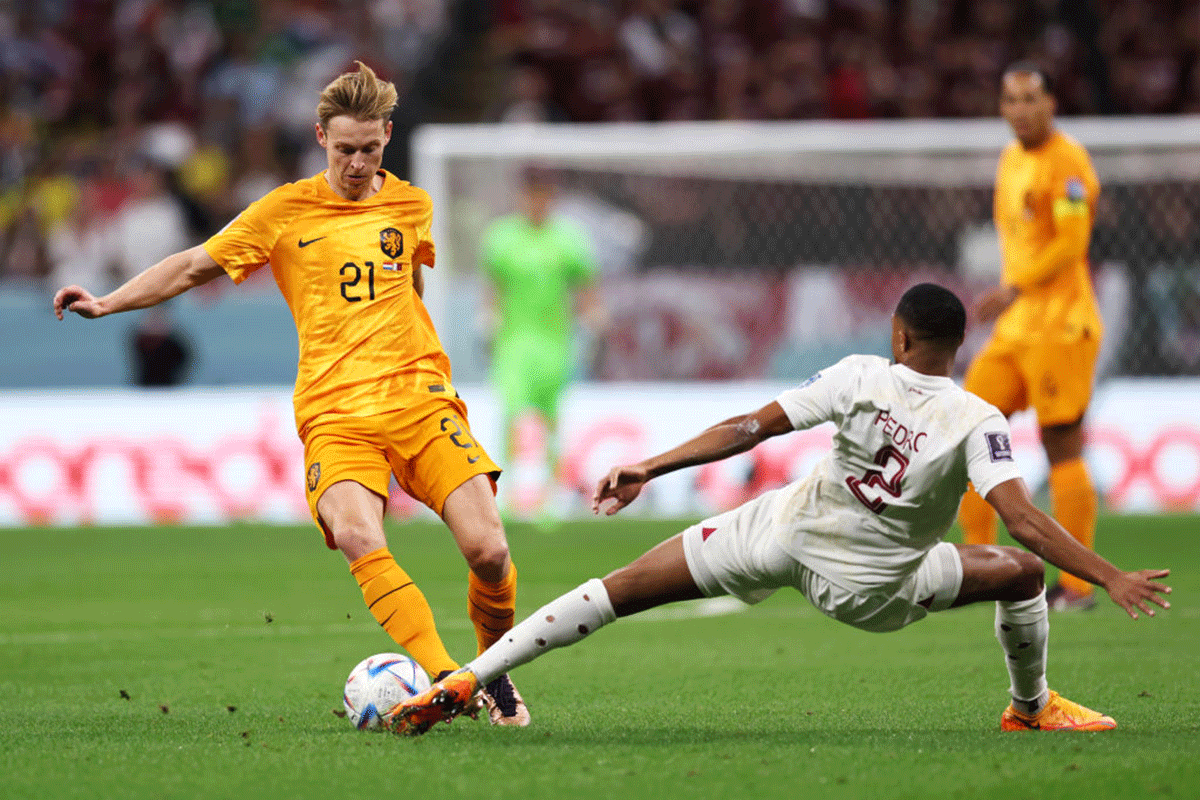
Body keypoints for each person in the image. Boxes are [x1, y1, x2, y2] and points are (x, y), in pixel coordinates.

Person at [393, 283, 1171, 735]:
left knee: (620, 589)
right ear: (958, 345)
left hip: (778, 534)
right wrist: (1109, 576)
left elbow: (747, 428)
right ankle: (1030, 708)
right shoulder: (978, 421)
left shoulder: (863, 374)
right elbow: (1023, 521)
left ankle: (465, 679)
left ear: (900, 335)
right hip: (873, 588)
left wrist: (649, 465)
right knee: (1022, 572)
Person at [52, 61, 529, 727]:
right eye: (344, 150)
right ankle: (449, 676)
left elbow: (408, 290)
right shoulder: (284, 211)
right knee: (359, 534)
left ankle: (494, 672)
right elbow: (193, 264)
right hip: (334, 413)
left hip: (419, 402)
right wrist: (108, 303)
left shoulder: (412, 207)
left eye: (369, 148)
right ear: (319, 138)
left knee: (490, 552)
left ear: (387, 136)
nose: (357, 164)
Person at [957, 62, 1104, 612]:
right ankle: (978, 570)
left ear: (1051, 104)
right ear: (1001, 108)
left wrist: (1011, 287)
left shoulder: (1068, 161)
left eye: (1030, 99)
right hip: (1015, 327)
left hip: (1061, 325)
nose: (1020, 110)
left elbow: (1072, 242)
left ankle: (1078, 588)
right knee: (967, 431)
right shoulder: (1009, 158)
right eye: (1010, 100)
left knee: (1060, 443)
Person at [479, 166, 606, 520]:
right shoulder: (501, 237)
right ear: (521, 196)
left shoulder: (568, 239)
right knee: (511, 416)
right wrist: (486, 322)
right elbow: (493, 289)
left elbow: (585, 287)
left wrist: (594, 320)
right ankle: (503, 496)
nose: (536, 201)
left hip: (555, 344)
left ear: (551, 197)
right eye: (530, 193)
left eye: (543, 194)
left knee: (552, 421)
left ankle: (551, 498)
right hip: (514, 343)